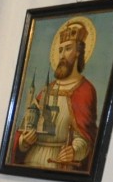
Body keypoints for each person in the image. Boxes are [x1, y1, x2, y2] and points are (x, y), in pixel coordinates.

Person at [12, 16, 98, 173]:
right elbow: (27, 123)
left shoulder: (85, 90)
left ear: (78, 52)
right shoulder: (47, 89)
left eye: (68, 48)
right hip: (31, 160)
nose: (62, 55)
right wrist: (24, 141)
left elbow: (86, 136)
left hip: (58, 163)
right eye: (60, 50)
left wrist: (75, 151)